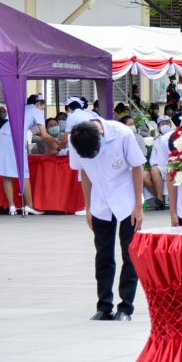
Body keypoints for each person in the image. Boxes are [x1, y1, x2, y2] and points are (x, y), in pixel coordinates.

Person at [68, 119, 146, 321]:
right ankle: (104, 306)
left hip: (127, 198)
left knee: (129, 253)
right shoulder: (75, 140)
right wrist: (88, 207)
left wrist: (138, 206)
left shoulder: (122, 134)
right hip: (100, 201)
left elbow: (137, 166)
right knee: (103, 254)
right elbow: (84, 172)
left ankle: (125, 307)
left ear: (101, 137)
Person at [0, 94, 57, 216]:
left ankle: (12, 206)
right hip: (15, 137)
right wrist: (57, 142)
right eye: (43, 107)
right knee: (24, 172)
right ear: (39, 104)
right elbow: (44, 134)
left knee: (7, 173)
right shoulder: (37, 110)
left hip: (2, 135)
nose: (43, 110)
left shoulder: (23, 108)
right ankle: (29, 205)